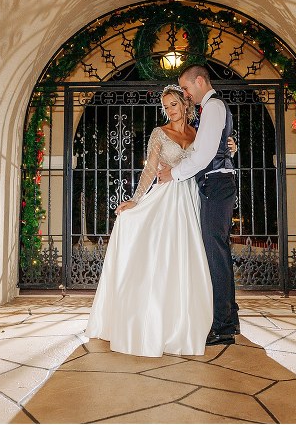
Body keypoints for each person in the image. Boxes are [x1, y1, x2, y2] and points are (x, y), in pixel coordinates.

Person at [84, 84, 213, 357]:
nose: (169, 110)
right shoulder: (159, 133)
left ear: (184, 103)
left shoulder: (199, 133)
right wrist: (136, 200)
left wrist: (230, 148)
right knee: (163, 258)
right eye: (165, 107)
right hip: (167, 198)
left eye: (173, 105)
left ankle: (185, 324)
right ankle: (153, 323)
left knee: (188, 259)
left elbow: (207, 159)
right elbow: (150, 170)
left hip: (191, 199)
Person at [158, 64, 240, 346]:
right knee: (219, 252)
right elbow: (215, 146)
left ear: (200, 81)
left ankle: (222, 327)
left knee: (215, 254)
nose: (185, 93)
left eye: (186, 87)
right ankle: (230, 320)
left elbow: (204, 155)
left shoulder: (213, 106)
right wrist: (230, 147)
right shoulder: (213, 109)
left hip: (217, 186)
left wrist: (174, 174)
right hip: (218, 184)